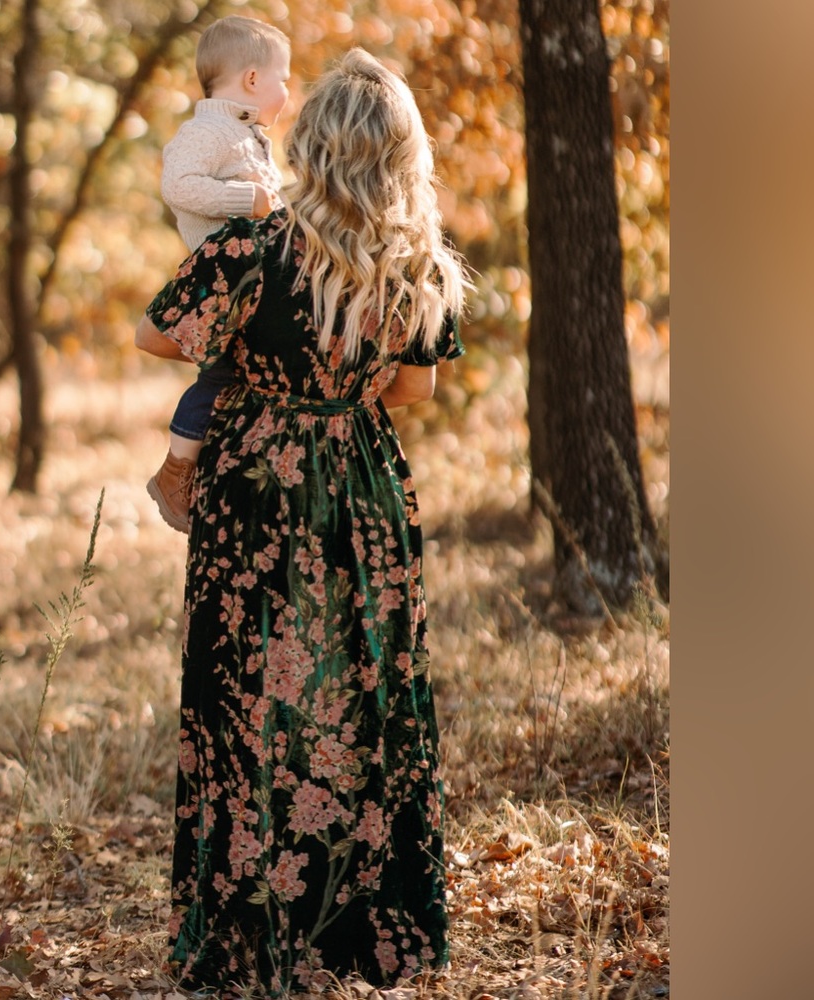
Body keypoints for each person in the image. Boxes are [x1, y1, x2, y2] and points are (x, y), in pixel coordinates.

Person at [135, 47, 472, 998]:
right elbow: (414, 388)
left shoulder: (253, 247)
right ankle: (364, 935)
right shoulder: (416, 264)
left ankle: (244, 939)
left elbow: (155, 333)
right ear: (402, 156)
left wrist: (253, 366)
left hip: (252, 488)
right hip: (360, 486)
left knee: (244, 700)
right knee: (364, 693)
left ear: (314, 147)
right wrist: (338, 387)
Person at [147, 15, 291, 533]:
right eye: (284, 78)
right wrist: (244, 200)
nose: (287, 91)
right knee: (221, 372)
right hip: (217, 280)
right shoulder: (207, 130)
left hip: (245, 280)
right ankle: (176, 468)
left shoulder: (244, 134)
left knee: (244, 371)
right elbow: (177, 186)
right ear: (252, 80)